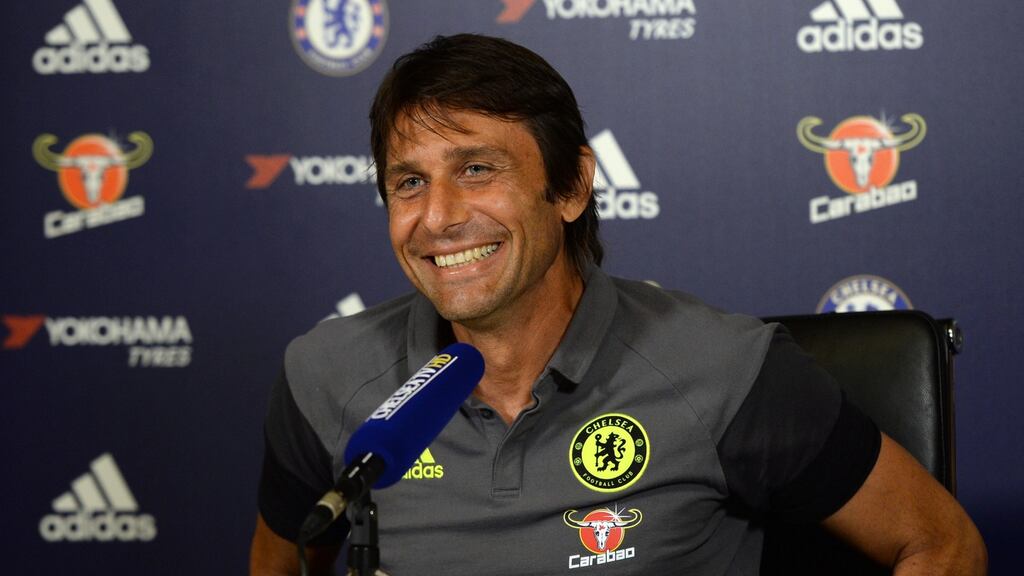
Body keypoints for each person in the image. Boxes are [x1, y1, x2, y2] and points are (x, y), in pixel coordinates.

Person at [250, 34, 986, 575]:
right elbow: (281, 561)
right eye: (409, 182)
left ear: (571, 187)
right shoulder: (325, 373)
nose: (438, 217)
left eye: (476, 169)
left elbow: (941, 545)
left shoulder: (724, 371)